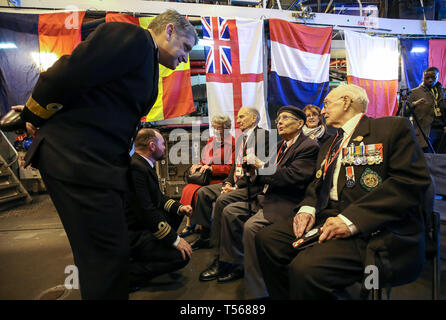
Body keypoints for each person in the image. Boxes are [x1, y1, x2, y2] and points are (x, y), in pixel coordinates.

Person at [11, 10, 198, 299]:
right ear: (169, 30)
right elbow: (67, 72)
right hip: (80, 159)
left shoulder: (146, 58)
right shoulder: (134, 37)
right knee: (106, 258)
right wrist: (32, 115)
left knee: (108, 255)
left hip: (95, 164)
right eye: (186, 47)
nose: (186, 57)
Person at [255, 84, 431, 300]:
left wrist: (350, 219)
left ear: (346, 101)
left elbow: (409, 182)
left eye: (327, 103)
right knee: (266, 240)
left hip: (374, 226)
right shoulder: (329, 144)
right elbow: (315, 184)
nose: (322, 110)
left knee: (305, 269)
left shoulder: (390, 128)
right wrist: (308, 207)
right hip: (328, 216)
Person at [208, 106, 319, 300]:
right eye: (278, 118)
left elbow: (292, 177)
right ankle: (235, 264)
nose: (280, 122)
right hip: (265, 196)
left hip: (286, 200)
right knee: (230, 211)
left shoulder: (307, 146)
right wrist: (252, 171)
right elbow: (262, 175)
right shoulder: (279, 145)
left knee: (252, 226)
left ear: (300, 124)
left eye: (285, 118)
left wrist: (260, 166)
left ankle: (258, 292)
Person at [190, 106, 270, 255]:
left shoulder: (264, 136)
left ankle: (219, 249)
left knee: (222, 199)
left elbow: (257, 170)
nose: (238, 120)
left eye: (242, 117)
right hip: (235, 182)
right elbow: (235, 166)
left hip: (251, 187)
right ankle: (205, 235)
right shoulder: (242, 138)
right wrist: (228, 182)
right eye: (238, 117)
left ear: (254, 118)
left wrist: (235, 187)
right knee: (203, 192)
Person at [125, 129, 193, 291]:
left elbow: (158, 198)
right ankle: (129, 274)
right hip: (134, 234)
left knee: (176, 213)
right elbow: (146, 211)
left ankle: (155, 251)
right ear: (152, 146)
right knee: (181, 257)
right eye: (162, 143)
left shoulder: (142, 164)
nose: (165, 147)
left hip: (142, 225)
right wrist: (175, 240)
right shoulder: (137, 169)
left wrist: (180, 207)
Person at [179, 114, 235, 237]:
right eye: (214, 127)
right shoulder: (211, 140)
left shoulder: (233, 143)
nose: (216, 131)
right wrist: (198, 165)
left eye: (218, 128)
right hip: (207, 177)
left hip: (220, 179)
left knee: (198, 191)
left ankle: (194, 224)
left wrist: (212, 168)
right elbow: (205, 159)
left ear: (226, 128)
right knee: (189, 189)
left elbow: (231, 169)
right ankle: (191, 220)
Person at [407, 67, 446, 153]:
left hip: (442, 130)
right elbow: (403, 112)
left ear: (438, 77)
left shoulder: (443, 92)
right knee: (429, 159)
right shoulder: (413, 93)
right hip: (425, 131)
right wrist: (414, 104)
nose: (430, 80)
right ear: (422, 78)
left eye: (433, 77)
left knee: (442, 160)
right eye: (427, 78)